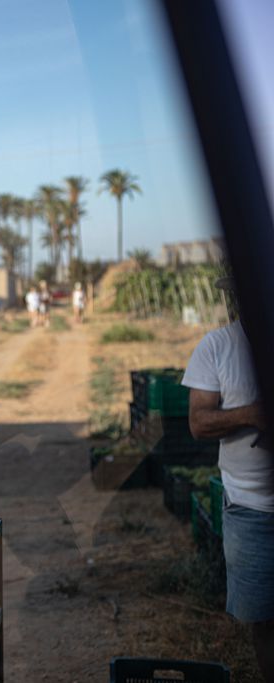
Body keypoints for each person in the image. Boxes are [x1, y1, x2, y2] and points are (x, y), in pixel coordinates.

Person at [182, 276, 274, 681]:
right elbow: (199, 422)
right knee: (264, 621)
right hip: (250, 508)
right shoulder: (217, 347)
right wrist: (250, 414)